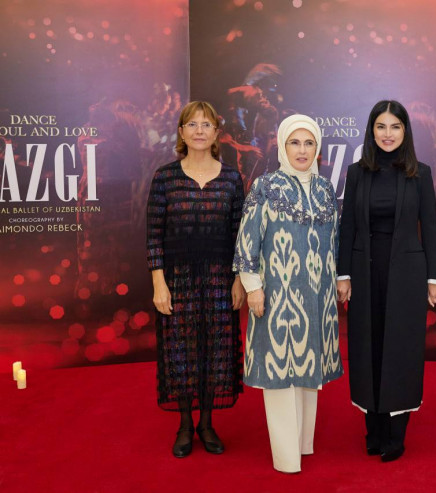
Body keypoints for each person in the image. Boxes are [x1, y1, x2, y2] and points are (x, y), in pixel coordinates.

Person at [233, 114, 343, 474]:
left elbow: (335, 241)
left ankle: (303, 444)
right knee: (280, 371)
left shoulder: (325, 188)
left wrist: (336, 282)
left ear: (317, 148)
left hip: (318, 297)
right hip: (277, 297)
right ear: (282, 146)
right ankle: (285, 457)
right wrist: (253, 287)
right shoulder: (265, 186)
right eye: (294, 142)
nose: (302, 150)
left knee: (309, 371)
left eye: (309, 143)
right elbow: (248, 240)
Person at [337, 100, 436, 462]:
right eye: (380, 127)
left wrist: (433, 277)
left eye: (395, 127)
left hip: (408, 273)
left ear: (405, 131)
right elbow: (348, 226)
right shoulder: (356, 172)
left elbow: (430, 227)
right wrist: (343, 274)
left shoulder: (421, 173)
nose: (387, 134)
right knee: (368, 346)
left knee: (400, 348)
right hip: (364, 271)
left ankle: (396, 434)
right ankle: (374, 428)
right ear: (371, 131)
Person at [146, 101, 245, 458]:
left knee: (215, 350)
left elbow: (240, 236)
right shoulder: (165, 178)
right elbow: (154, 236)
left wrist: (239, 281)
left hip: (220, 280)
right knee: (182, 351)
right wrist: (159, 283)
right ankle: (186, 424)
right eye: (192, 124)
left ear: (217, 133)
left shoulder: (232, 178)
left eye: (206, 124)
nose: (199, 130)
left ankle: (207, 423)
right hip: (178, 281)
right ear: (182, 132)